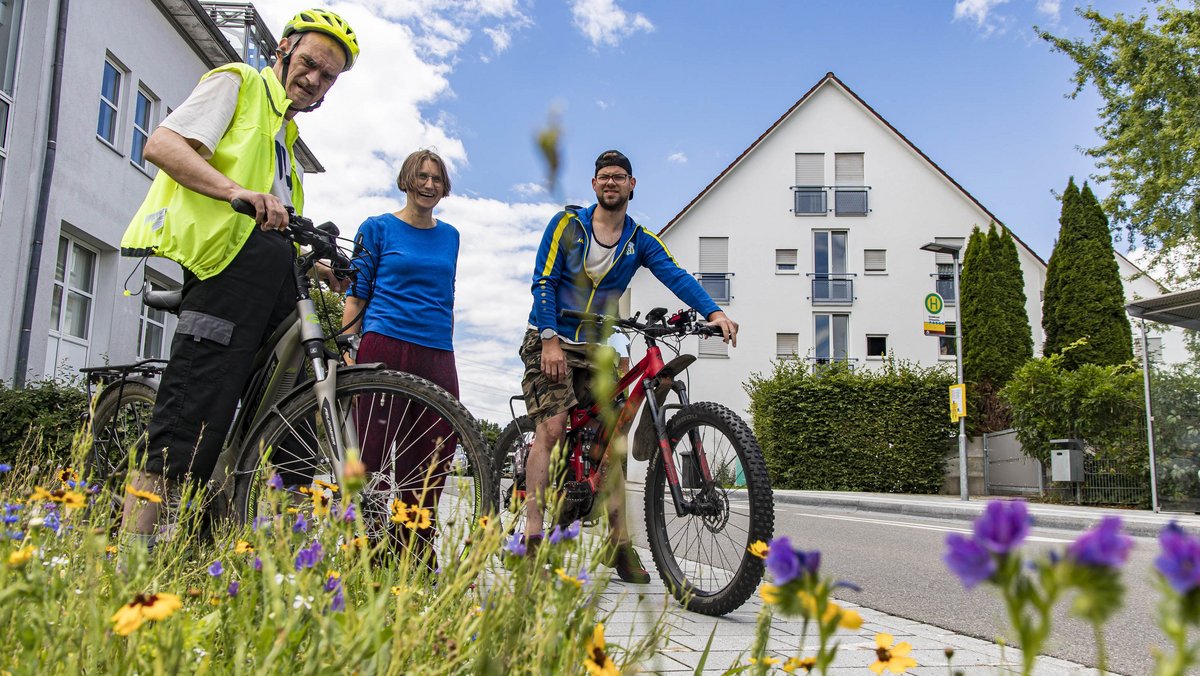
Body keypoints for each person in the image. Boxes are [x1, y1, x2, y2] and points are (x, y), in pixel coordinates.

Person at [117, 9, 360, 548]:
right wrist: (235, 192)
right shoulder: (238, 83)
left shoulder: (286, 144)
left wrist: (322, 267)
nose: (315, 80)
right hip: (223, 270)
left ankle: (218, 541)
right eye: (311, 64)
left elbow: (280, 225)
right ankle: (128, 561)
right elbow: (162, 145)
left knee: (281, 410)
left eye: (328, 77)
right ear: (285, 50)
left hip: (269, 279)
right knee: (191, 416)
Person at [519, 150, 739, 582]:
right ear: (594, 185)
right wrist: (548, 339)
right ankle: (531, 539)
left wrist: (713, 312)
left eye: (619, 177)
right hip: (550, 339)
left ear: (632, 185)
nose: (611, 183)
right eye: (604, 176)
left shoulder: (640, 240)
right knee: (552, 426)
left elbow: (676, 275)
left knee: (613, 437)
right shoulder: (568, 226)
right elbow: (543, 280)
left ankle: (619, 546)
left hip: (596, 345)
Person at [342, 150, 460, 562]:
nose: (429, 185)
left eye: (437, 179)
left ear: (444, 187)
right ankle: (365, 549)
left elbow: (447, 292)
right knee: (374, 452)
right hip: (384, 343)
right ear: (407, 180)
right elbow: (357, 291)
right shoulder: (376, 228)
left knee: (434, 452)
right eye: (422, 177)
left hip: (437, 350)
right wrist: (346, 346)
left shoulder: (451, 236)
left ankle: (413, 552)